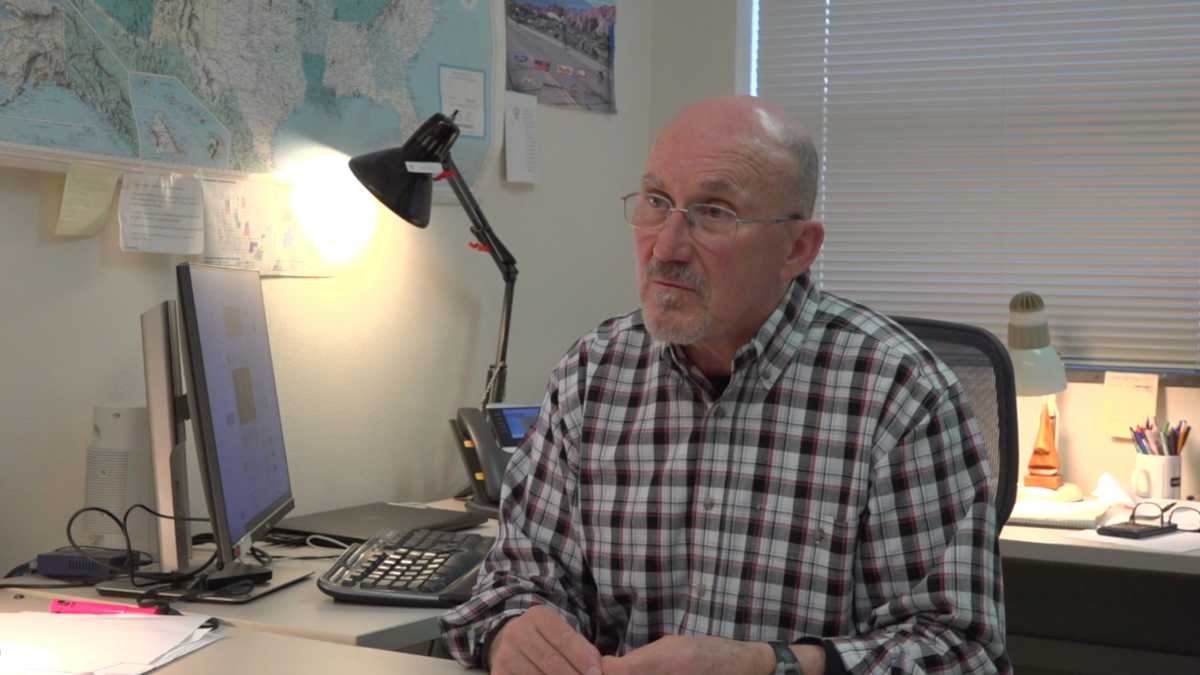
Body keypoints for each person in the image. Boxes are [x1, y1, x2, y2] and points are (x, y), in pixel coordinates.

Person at [440, 95, 1009, 675]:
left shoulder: (899, 394)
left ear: (796, 249)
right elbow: (513, 584)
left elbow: (962, 653)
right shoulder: (592, 377)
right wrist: (511, 630)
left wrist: (772, 665)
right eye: (657, 202)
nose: (665, 247)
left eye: (714, 212)